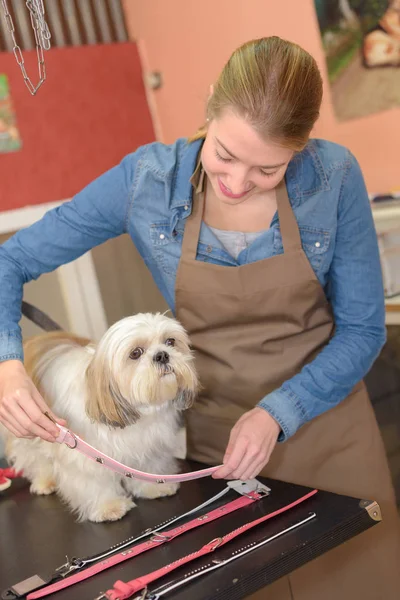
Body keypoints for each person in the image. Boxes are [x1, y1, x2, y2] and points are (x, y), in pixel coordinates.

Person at [0, 36, 399, 599]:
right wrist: (8, 363)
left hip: (328, 432)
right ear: (210, 106)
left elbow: (362, 329)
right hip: (213, 449)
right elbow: (8, 259)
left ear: (301, 149)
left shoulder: (332, 176)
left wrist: (278, 412)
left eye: (268, 170)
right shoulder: (146, 183)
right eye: (225, 155)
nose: (236, 185)